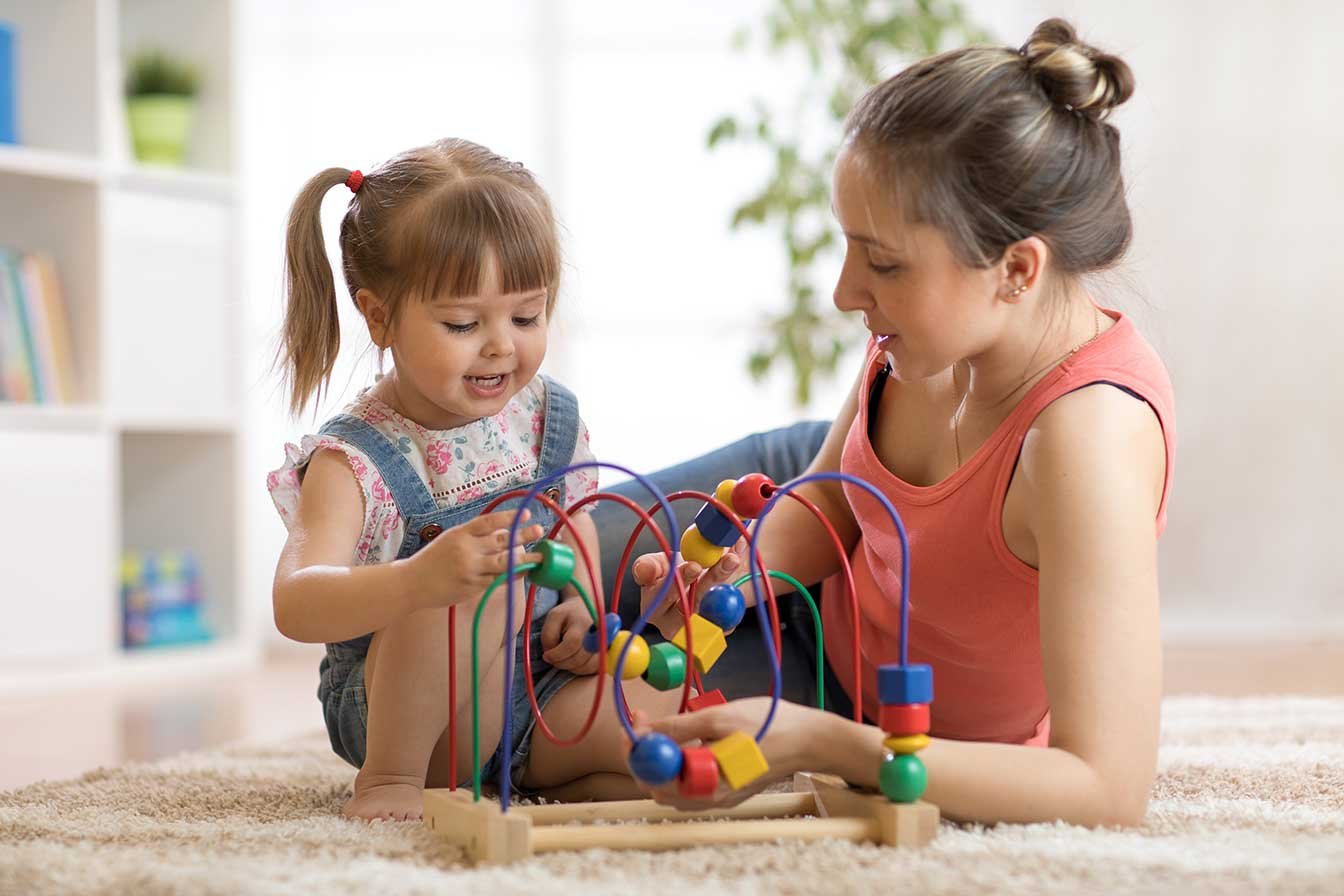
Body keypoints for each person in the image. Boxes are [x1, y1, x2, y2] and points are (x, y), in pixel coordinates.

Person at [609, 18, 1175, 828]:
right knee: (518, 584)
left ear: (1016, 269)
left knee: (535, 734)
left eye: (881, 262)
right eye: (850, 247)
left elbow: (1106, 789)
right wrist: (722, 583)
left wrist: (825, 744)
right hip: (814, 526)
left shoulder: (1087, 444)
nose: (843, 291)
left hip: (864, 705)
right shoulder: (926, 337)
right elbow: (829, 506)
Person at [267, 138, 681, 822]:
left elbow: (571, 524)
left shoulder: (548, 418)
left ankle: (542, 778)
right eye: (463, 322)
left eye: (527, 316)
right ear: (379, 316)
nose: (501, 345)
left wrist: (578, 602)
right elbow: (296, 602)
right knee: (467, 588)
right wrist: (416, 580)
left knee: (656, 748)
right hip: (411, 720)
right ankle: (390, 784)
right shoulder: (355, 459)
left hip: (535, 694)